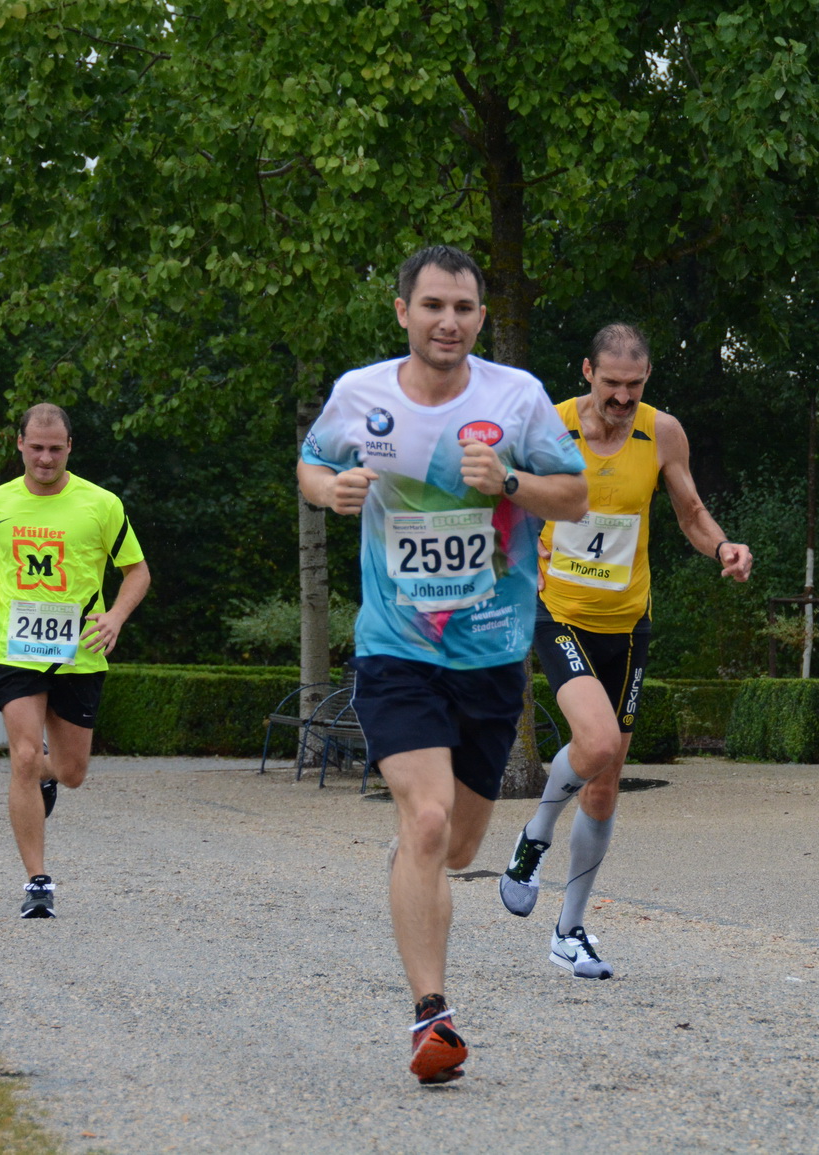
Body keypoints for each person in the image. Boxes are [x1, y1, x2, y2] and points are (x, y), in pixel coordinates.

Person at [298, 245, 586, 1085]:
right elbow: (312, 462)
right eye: (432, 306)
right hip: (398, 647)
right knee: (425, 822)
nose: (447, 321)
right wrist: (328, 491)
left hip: (492, 652)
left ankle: (413, 869)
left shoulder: (517, 397)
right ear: (403, 312)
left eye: (463, 307)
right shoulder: (362, 394)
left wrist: (510, 482)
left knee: (455, 844)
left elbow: (576, 496)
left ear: (481, 317)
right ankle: (433, 1017)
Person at [498, 323, 752, 979]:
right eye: (611, 383)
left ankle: (569, 930)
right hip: (559, 612)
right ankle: (534, 837)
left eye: (634, 385)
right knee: (598, 741)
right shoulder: (548, 425)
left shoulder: (662, 432)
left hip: (628, 623)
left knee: (606, 782)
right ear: (588, 371)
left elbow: (690, 511)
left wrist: (723, 546)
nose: (622, 396)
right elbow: (504, 497)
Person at [0, 404, 150, 918]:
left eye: (56, 448)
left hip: (80, 652)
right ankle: (38, 882)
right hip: (14, 648)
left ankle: (49, 776)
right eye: (36, 447)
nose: (46, 458)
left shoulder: (101, 504)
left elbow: (137, 571)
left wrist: (116, 617)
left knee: (72, 772)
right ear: (20, 444)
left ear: (70, 447)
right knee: (24, 756)